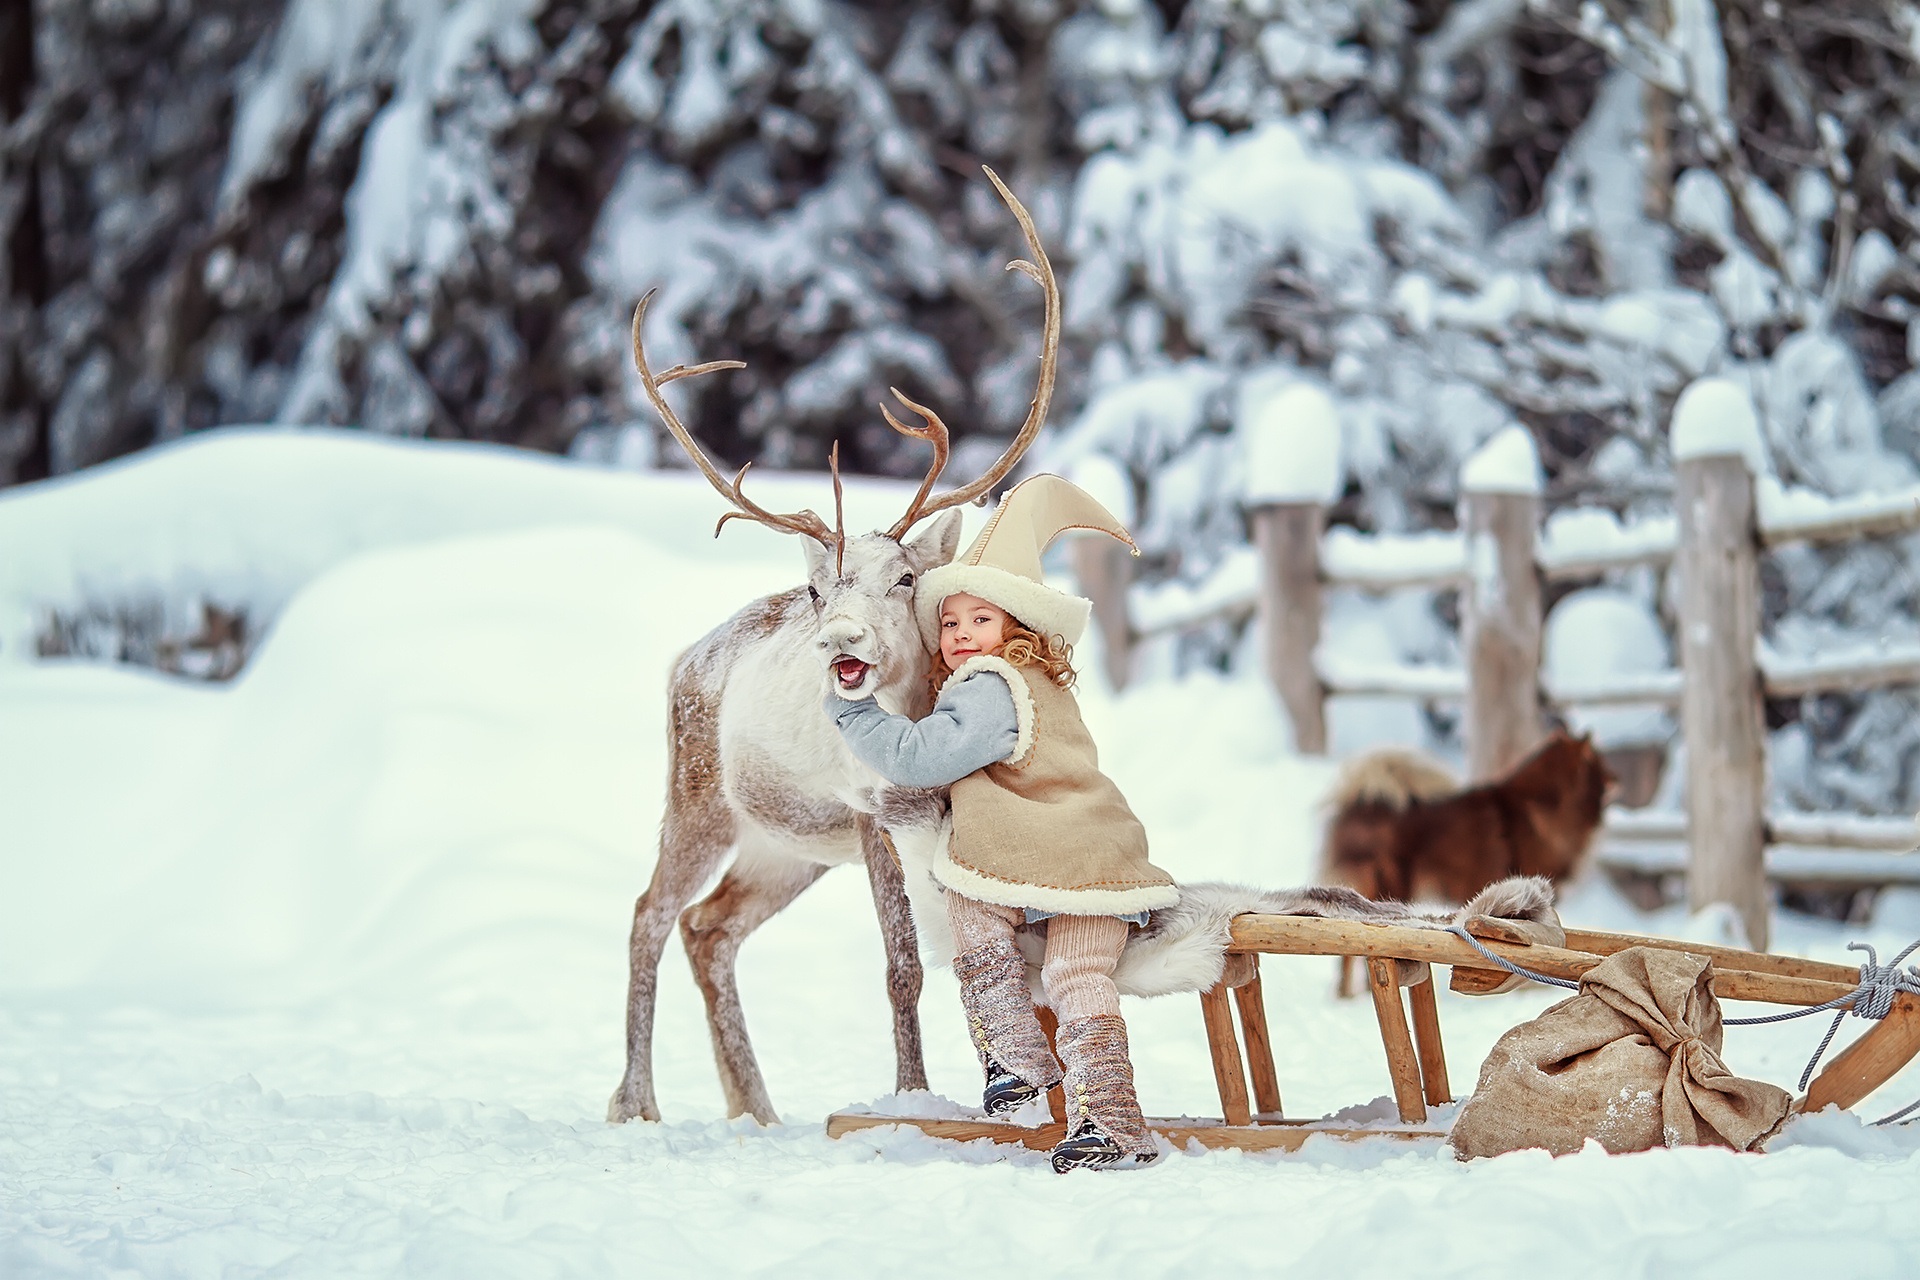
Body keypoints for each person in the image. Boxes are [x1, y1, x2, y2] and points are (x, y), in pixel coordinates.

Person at [825, 475, 1178, 1172]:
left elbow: (923, 757)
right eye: (950, 623)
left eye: (979, 620)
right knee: (1049, 955)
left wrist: (852, 710)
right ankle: (1076, 1097)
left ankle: (1041, 1073)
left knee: (1017, 939)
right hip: (1084, 858)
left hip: (1068, 859)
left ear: (1017, 628)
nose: (960, 634)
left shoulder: (991, 687)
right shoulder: (1029, 682)